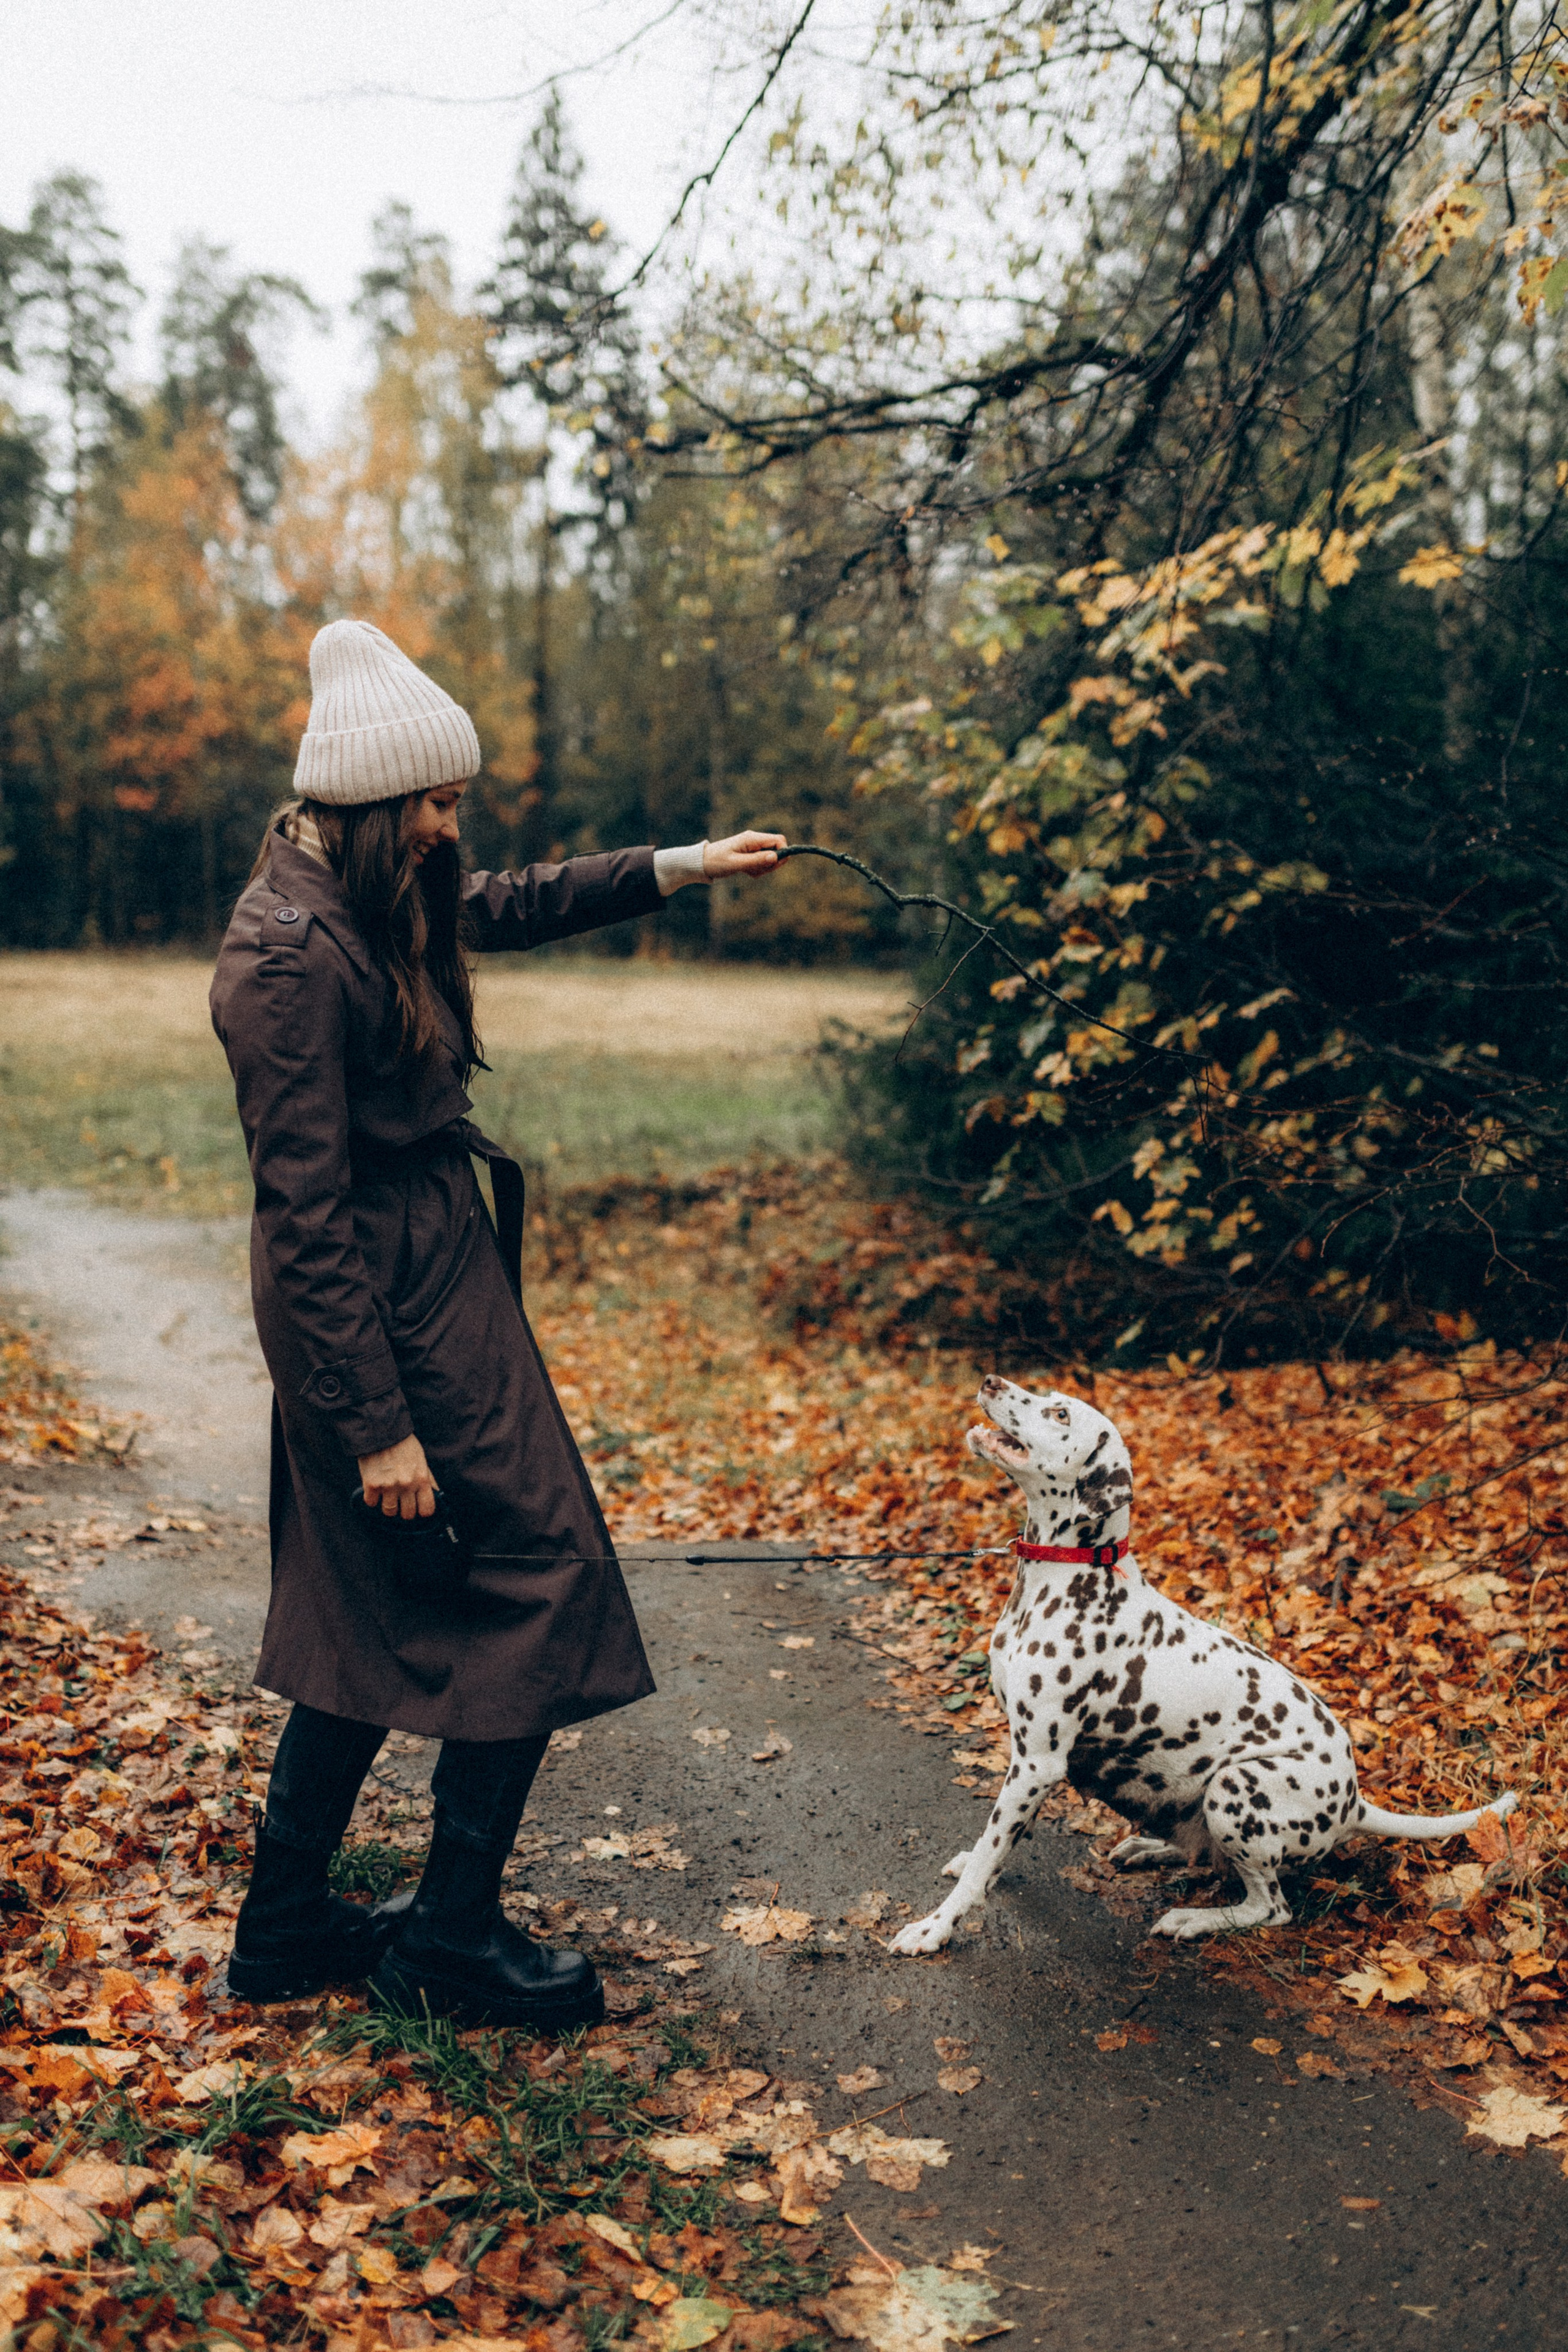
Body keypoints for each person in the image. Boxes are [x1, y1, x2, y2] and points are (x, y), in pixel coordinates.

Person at [209, 617, 785, 2030]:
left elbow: (505, 902)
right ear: (369, 798)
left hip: (425, 1257)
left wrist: (676, 868)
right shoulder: (288, 956)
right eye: (439, 803)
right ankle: (448, 1941)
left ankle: (285, 1928)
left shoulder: (363, 890)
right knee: (546, 1565)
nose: (452, 829)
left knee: (365, 1600)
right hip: (378, 1294)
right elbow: (304, 1212)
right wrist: (377, 1423)